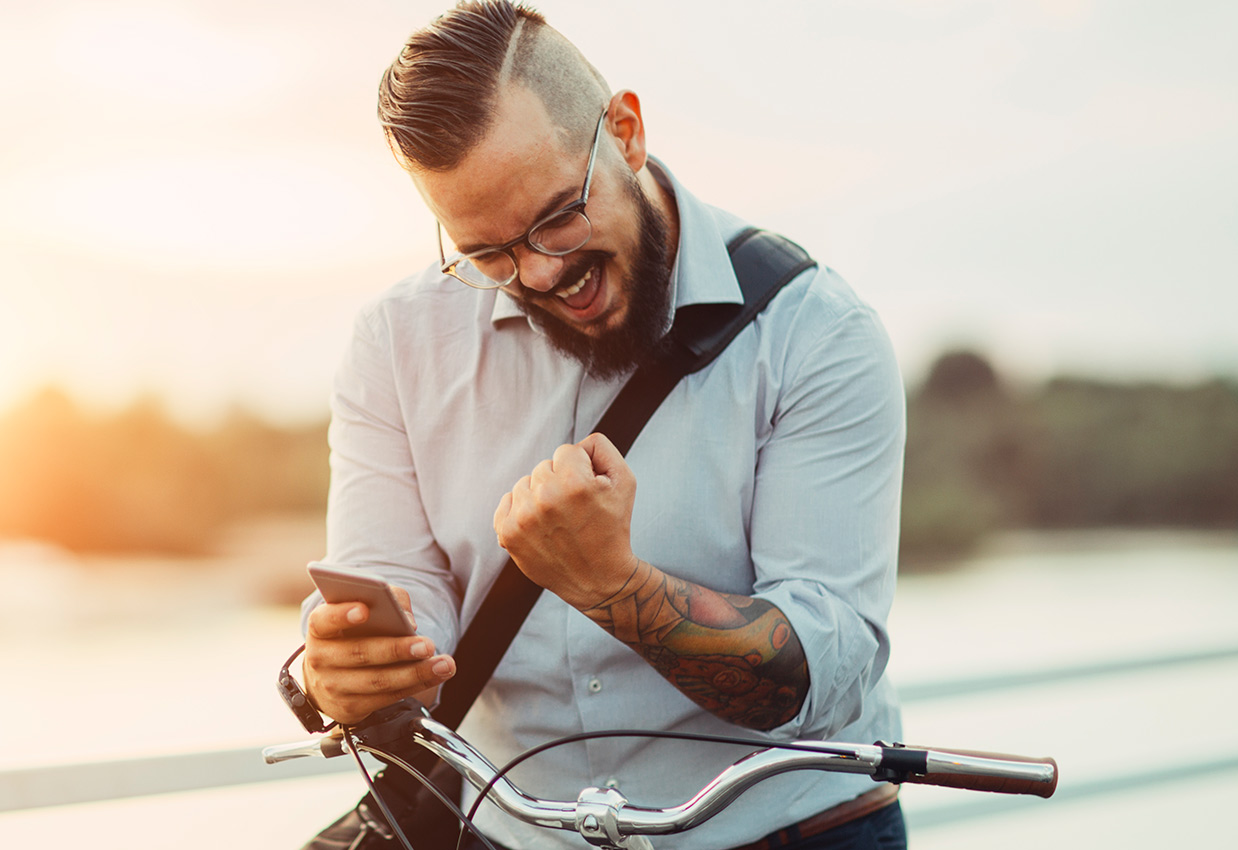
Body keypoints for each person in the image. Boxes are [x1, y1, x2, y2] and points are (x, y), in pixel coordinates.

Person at [296, 3, 907, 849]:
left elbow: (819, 677)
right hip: (506, 833)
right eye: (486, 254)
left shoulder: (817, 333)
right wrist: (355, 669)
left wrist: (612, 588)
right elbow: (397, 589)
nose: (542, 273)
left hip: (790, 833)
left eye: (557, 216)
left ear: (625, 132)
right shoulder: (396, 340)